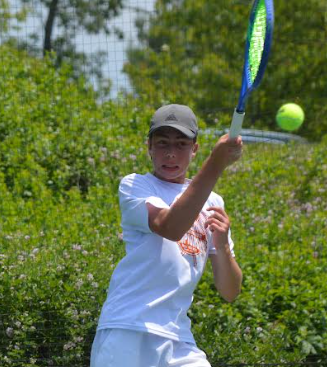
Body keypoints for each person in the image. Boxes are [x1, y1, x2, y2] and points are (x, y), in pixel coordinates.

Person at [91, 104, 244, 367]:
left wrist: (222, 245)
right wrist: (217, 162)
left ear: (195, 148)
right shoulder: (135, 185)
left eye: (181, 144)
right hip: (128, 328)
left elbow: (230, 291)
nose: (171, 153)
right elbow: (170, 226)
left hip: (178, 338)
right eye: (162, 143)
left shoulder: (214, 202)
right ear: (149, 146)